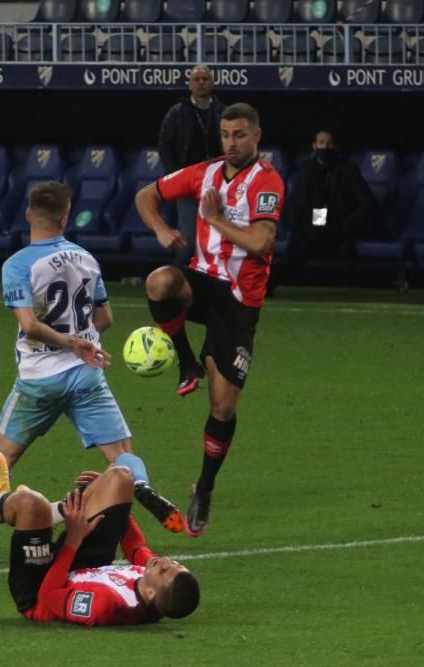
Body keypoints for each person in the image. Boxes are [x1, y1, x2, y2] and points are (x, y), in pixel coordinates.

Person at [0, 181, 183, 566]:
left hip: (38, 379)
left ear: (29, 214)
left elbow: (29, 326)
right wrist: (82, 340)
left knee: (1, 459)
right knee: (121, 458)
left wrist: (66, 342)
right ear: (66, 218)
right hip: (86, 375)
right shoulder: (86, 259)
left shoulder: (17, 265)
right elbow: (105, 318)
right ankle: (142, 487)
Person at [135, 103, 284, 538]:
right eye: (225, 134)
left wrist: (215, 219)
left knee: (223, 406)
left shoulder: (268, 181)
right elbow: (146, 195)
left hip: (239, 300)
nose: (231, 142)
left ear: (257, 136)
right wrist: (162, 231)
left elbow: (260, 241)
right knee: (160, 282)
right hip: (202, 280)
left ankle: (205, 486)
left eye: (240, 135)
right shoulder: (205, 172)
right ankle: (185, 361)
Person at [0, 452, 200, 626]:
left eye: (164, 570)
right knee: (120, 477)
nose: (164, 562)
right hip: (84, 563)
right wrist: (104, 493)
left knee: (30, 503)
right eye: (174, 564)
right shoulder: (150, 576)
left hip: (39, 586)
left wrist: (74, 539)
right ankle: (48, 515)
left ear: (151, 593)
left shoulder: (105, 605)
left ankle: (2, 504)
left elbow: (49, 596)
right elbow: (135, 546)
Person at [268, 129, 374, 296]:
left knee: (302, 250)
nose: (325, 147)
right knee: (297, 248)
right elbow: (298, 203)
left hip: (336, 229)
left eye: (329, 143)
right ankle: (264, 283)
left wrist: (346, 224)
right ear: (314, 146)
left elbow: (366, 202)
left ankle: (265, 283)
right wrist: (300, 226)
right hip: (308, 229)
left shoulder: (347, 170)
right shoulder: (307, 170)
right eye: (321, 143)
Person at [158, 65, 226, 267]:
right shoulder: (178, 112)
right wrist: (175, 177)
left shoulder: (222, 111)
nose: (202, 82)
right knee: (188, 237)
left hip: (217, 183)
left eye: (205, 79)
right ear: (190, 84)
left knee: (218, 235)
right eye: (197, 79)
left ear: (212, 83)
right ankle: (177, 277)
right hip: (188, 182)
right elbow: (165, 147)